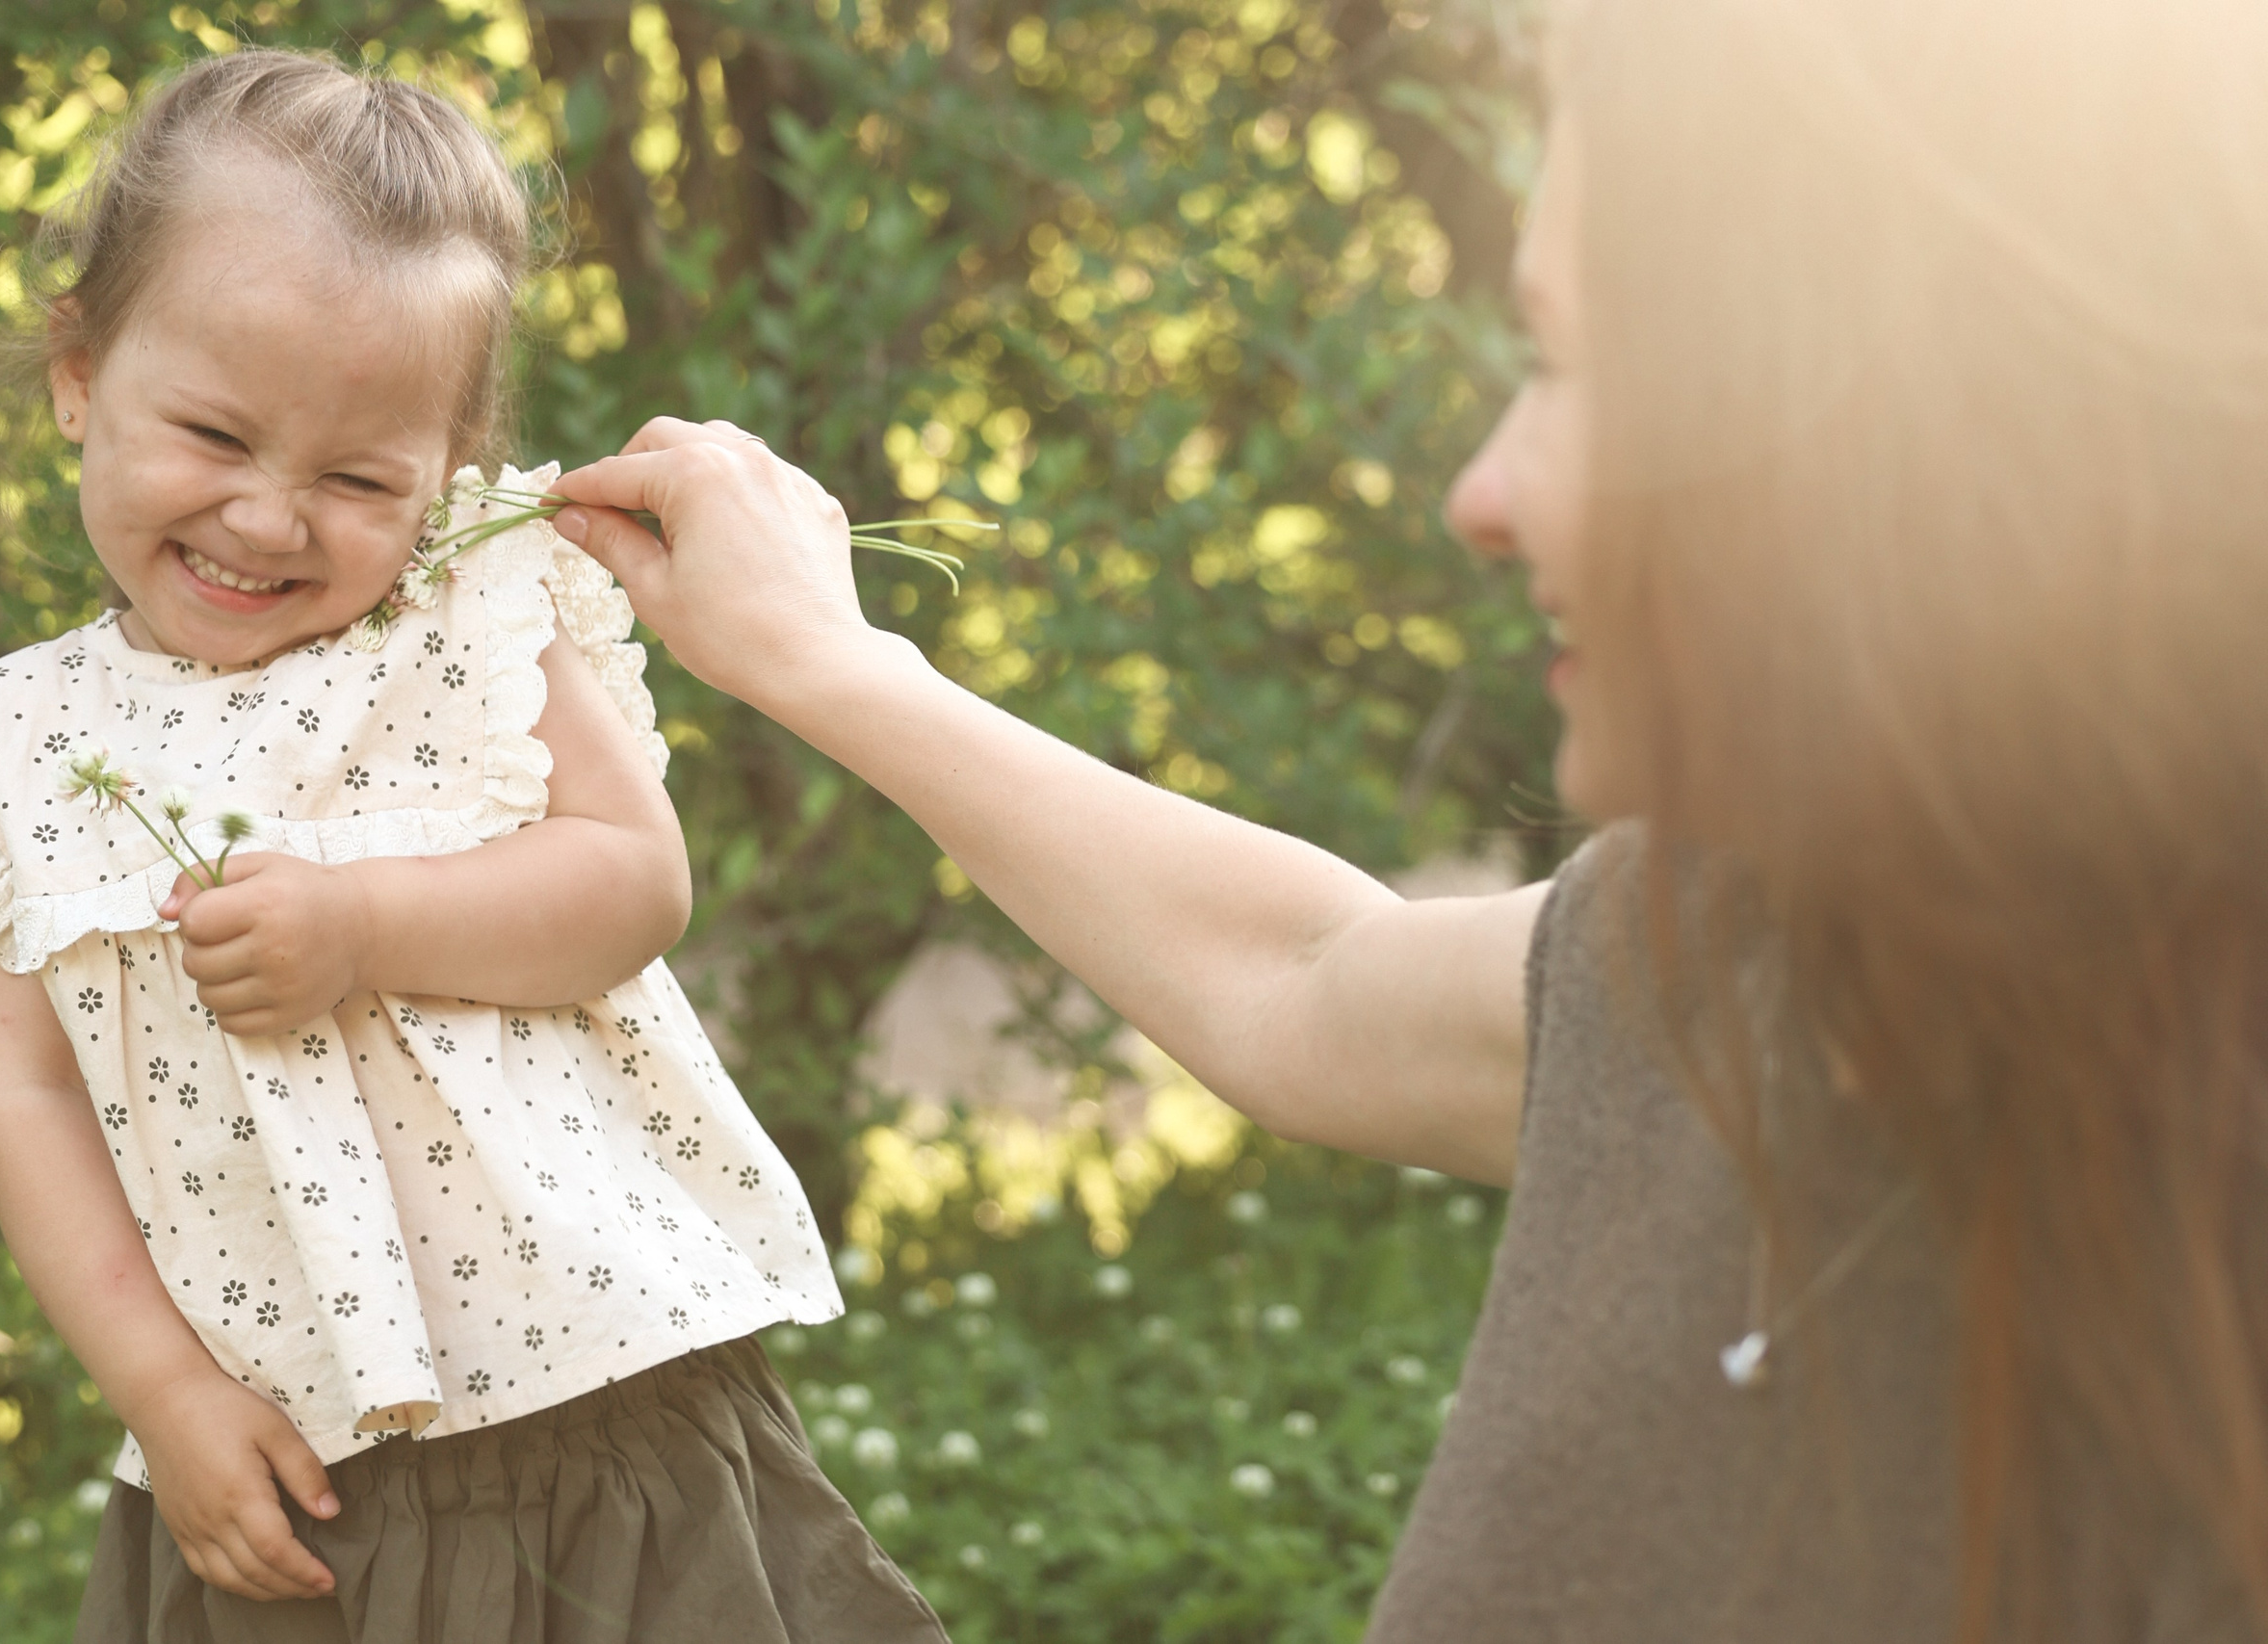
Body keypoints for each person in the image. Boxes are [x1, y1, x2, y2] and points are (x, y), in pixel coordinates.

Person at [543, 0, 2268, 1636]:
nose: (1482, 491)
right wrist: (834, 667)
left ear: (1934, 436)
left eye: (1583, 365)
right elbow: (1306, 973)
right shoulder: (1710, 949)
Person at [0, 49, 946, 1644]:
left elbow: (631, 882)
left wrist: (365, 925)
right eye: (216, 436)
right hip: (289, 1472)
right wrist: (158, 1389)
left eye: (359, 477)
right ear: (79, 372)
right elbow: (27, 1095)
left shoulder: (468, 629)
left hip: (599, 1408)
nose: (271, 519)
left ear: (445, 472)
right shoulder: (1, 758)